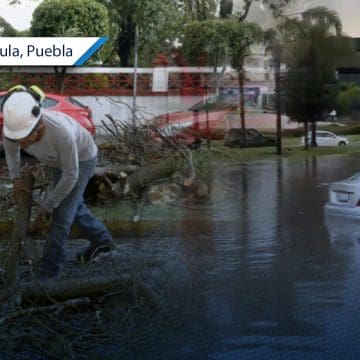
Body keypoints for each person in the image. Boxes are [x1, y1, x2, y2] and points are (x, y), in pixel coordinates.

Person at [2, 85, 115, 281]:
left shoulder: (61, 133)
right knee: (73, 205)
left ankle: (49, 272)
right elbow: (11, 152)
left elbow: (71, 174)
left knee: (61, 214)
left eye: (25, 138)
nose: (21, 144)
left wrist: (46, 207)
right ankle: (102, 241)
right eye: (17, 139)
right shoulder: (14, 126)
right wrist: (16, 179)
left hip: (82, 159)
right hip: (56, 161)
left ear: (40, 125)